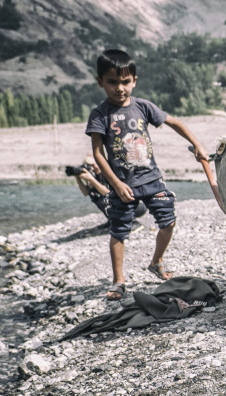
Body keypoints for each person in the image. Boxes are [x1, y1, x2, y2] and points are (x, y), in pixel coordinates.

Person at [86, 49, 209, 301]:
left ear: (134, 80)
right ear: (100, 81)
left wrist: (197, 144)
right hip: (124, 186)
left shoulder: (142, 106)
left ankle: (156, 261)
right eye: (112, 82)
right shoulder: (100, 115)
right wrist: (116, 183)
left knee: (168, 221)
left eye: (125, 81)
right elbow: (98, 154)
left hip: (152, 179)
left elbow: (175, 122)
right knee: (118, 231)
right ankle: (119, 280)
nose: (120, 88)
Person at [72, 154, 147, 223]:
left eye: (93, 165)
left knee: (110, 198)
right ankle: (112, 220)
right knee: (95, 196)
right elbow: (85, 193)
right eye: (89, 166)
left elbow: (108, 193)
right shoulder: (94, 176)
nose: (92, 168)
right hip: (125, 208)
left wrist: (92, 180)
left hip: (137, 207)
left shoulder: (109, 174)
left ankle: (131, 221)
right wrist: (77, 177)